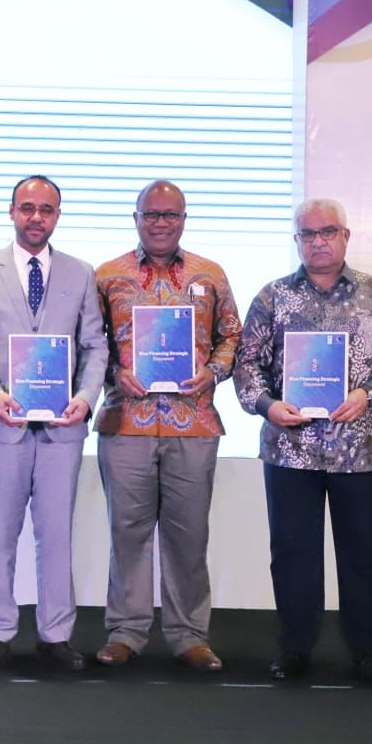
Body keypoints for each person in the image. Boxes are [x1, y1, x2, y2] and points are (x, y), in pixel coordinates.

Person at [235, 198, 372, 686]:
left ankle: (367, 653)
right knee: (292, 555)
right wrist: (267, 405)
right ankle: (295, 649)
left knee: (363, 558)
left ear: (345, 236)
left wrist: (369, 393)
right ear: (297, 240)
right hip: (289, 450)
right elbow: (246, 364)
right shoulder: (273, 297)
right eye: (308, 234)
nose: (318, 241)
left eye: (328, 232)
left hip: (359, 451)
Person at [0, 175, 107, 671]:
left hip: (63, 428)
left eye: (46, 209)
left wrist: (85, 399)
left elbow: (95, 346)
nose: (36, 217)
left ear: (57, 215)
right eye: (27, 207)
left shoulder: (81, 273)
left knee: (56, 536)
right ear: (11, 211)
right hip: (4, 424)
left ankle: (55, 635)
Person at [92, 180, 242, 672]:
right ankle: (126, 632)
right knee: (127, 533)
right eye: (151, 214)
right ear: (135, 218)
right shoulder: (106, 276)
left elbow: (231, 336)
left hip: (193, 423)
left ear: (183, 219)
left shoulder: (210, 274)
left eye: (170, 215)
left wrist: (213, 371)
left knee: (188, 536)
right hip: (125, 422)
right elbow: (89, 343)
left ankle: (189, 636)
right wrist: (114, 372)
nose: (161, 223)